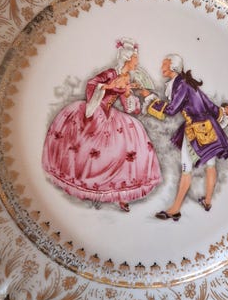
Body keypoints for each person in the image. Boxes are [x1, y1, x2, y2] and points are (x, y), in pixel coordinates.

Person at [42, 38, 162, 212]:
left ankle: (122, 193)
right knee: (93, 149)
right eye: (136, 59)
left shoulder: (128, 77)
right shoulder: (111, 73)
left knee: (133, 133)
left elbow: (129, 108)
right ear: (128, 59)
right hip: (95, 111)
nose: (137, 62)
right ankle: (90, 186)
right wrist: (108, 86)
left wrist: (129, 95)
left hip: (109, 113)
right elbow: (92, 85)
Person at [143, 54, 228, 221]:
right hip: (209, 128)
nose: (161, 68)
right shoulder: (188, 83)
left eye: (164, 64)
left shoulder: (182, 85)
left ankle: (175, 209)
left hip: (195, 130)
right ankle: (208, 202)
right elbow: (210, 105)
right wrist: (221, 114)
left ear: (173, 67)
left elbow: (171, 110)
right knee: (210, 165)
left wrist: (150, 99)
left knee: (187, 169)